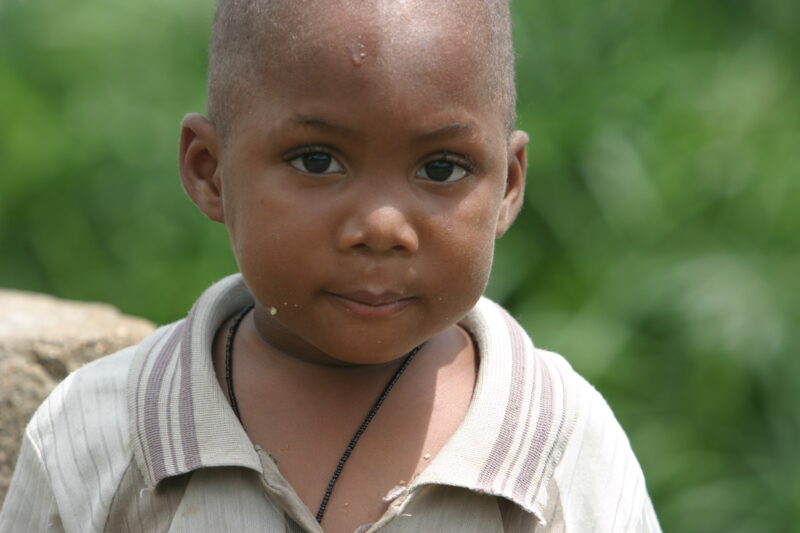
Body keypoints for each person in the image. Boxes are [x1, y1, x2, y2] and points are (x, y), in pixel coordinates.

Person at [0, 0, 661, 531]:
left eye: (441, 168)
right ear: (210, 171)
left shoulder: (558, 444)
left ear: (508, 187)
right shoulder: (101, 436)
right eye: (317, 160)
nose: (381, 227)